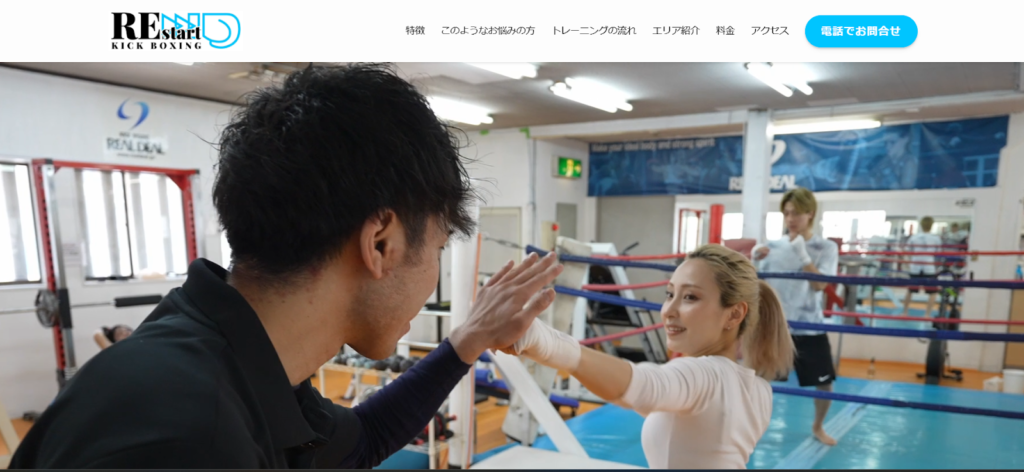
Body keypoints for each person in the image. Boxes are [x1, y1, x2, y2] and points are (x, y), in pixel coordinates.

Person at [10, 64, 564, 468]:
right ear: (380, 243)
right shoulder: (190, 437)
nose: (433, 275)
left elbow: (359, 443)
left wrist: (467, 340)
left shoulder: (229, 356)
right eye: (438, 250)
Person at [509, 244, 794, 469]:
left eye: (690, 297)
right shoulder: (759, 390)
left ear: (734, 314)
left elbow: (646, 386)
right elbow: (653, 403)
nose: (669, 310)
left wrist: (542, 340)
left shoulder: (704, 375)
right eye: (670, 294)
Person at [751, 187, 840, 446]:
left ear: (810, 213)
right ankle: (748, 427)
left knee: (824, 383)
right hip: (775, 327)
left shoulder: (826, 247)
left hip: (809, 325)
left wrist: (803, 254)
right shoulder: (772, 247)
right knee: (757, 380)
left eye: (797, 213)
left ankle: (818, 427)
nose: (790, 219)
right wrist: (754, 261)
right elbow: (756, 285)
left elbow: (820, 285)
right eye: (787, 213)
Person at [902, 216, 944, 317]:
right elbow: (939, 254)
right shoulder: (936, 238)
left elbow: (906, 251)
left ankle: (905, 312)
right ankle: (927, 314)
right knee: (932, 292)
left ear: (921, 225)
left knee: (910, 290)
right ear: (932, 225)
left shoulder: (914, 237)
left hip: (915, 266)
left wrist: (908, 263)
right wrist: (937, 266)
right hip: (929, 267)